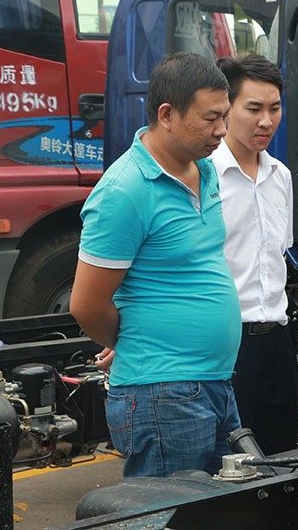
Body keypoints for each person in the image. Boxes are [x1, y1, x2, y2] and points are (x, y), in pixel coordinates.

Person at [70, 52, 242, 477]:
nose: (222, 130)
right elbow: (86, 305)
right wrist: (137, 341)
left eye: (225, 116)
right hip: (163, 395)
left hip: (214, 384)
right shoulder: (124, 191)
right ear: (166, 114)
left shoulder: (205, 169)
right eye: (210, 119)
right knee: (166, 516)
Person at [211, 54, 298, 455]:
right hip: (227, 343)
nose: (266, 121)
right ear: (227, 108)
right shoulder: (203, 175)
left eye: (275, 108)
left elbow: (279, 253)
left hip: (278, 339)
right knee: (229, 462)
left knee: (281, 457)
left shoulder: (281, 176)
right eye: (254, 109)